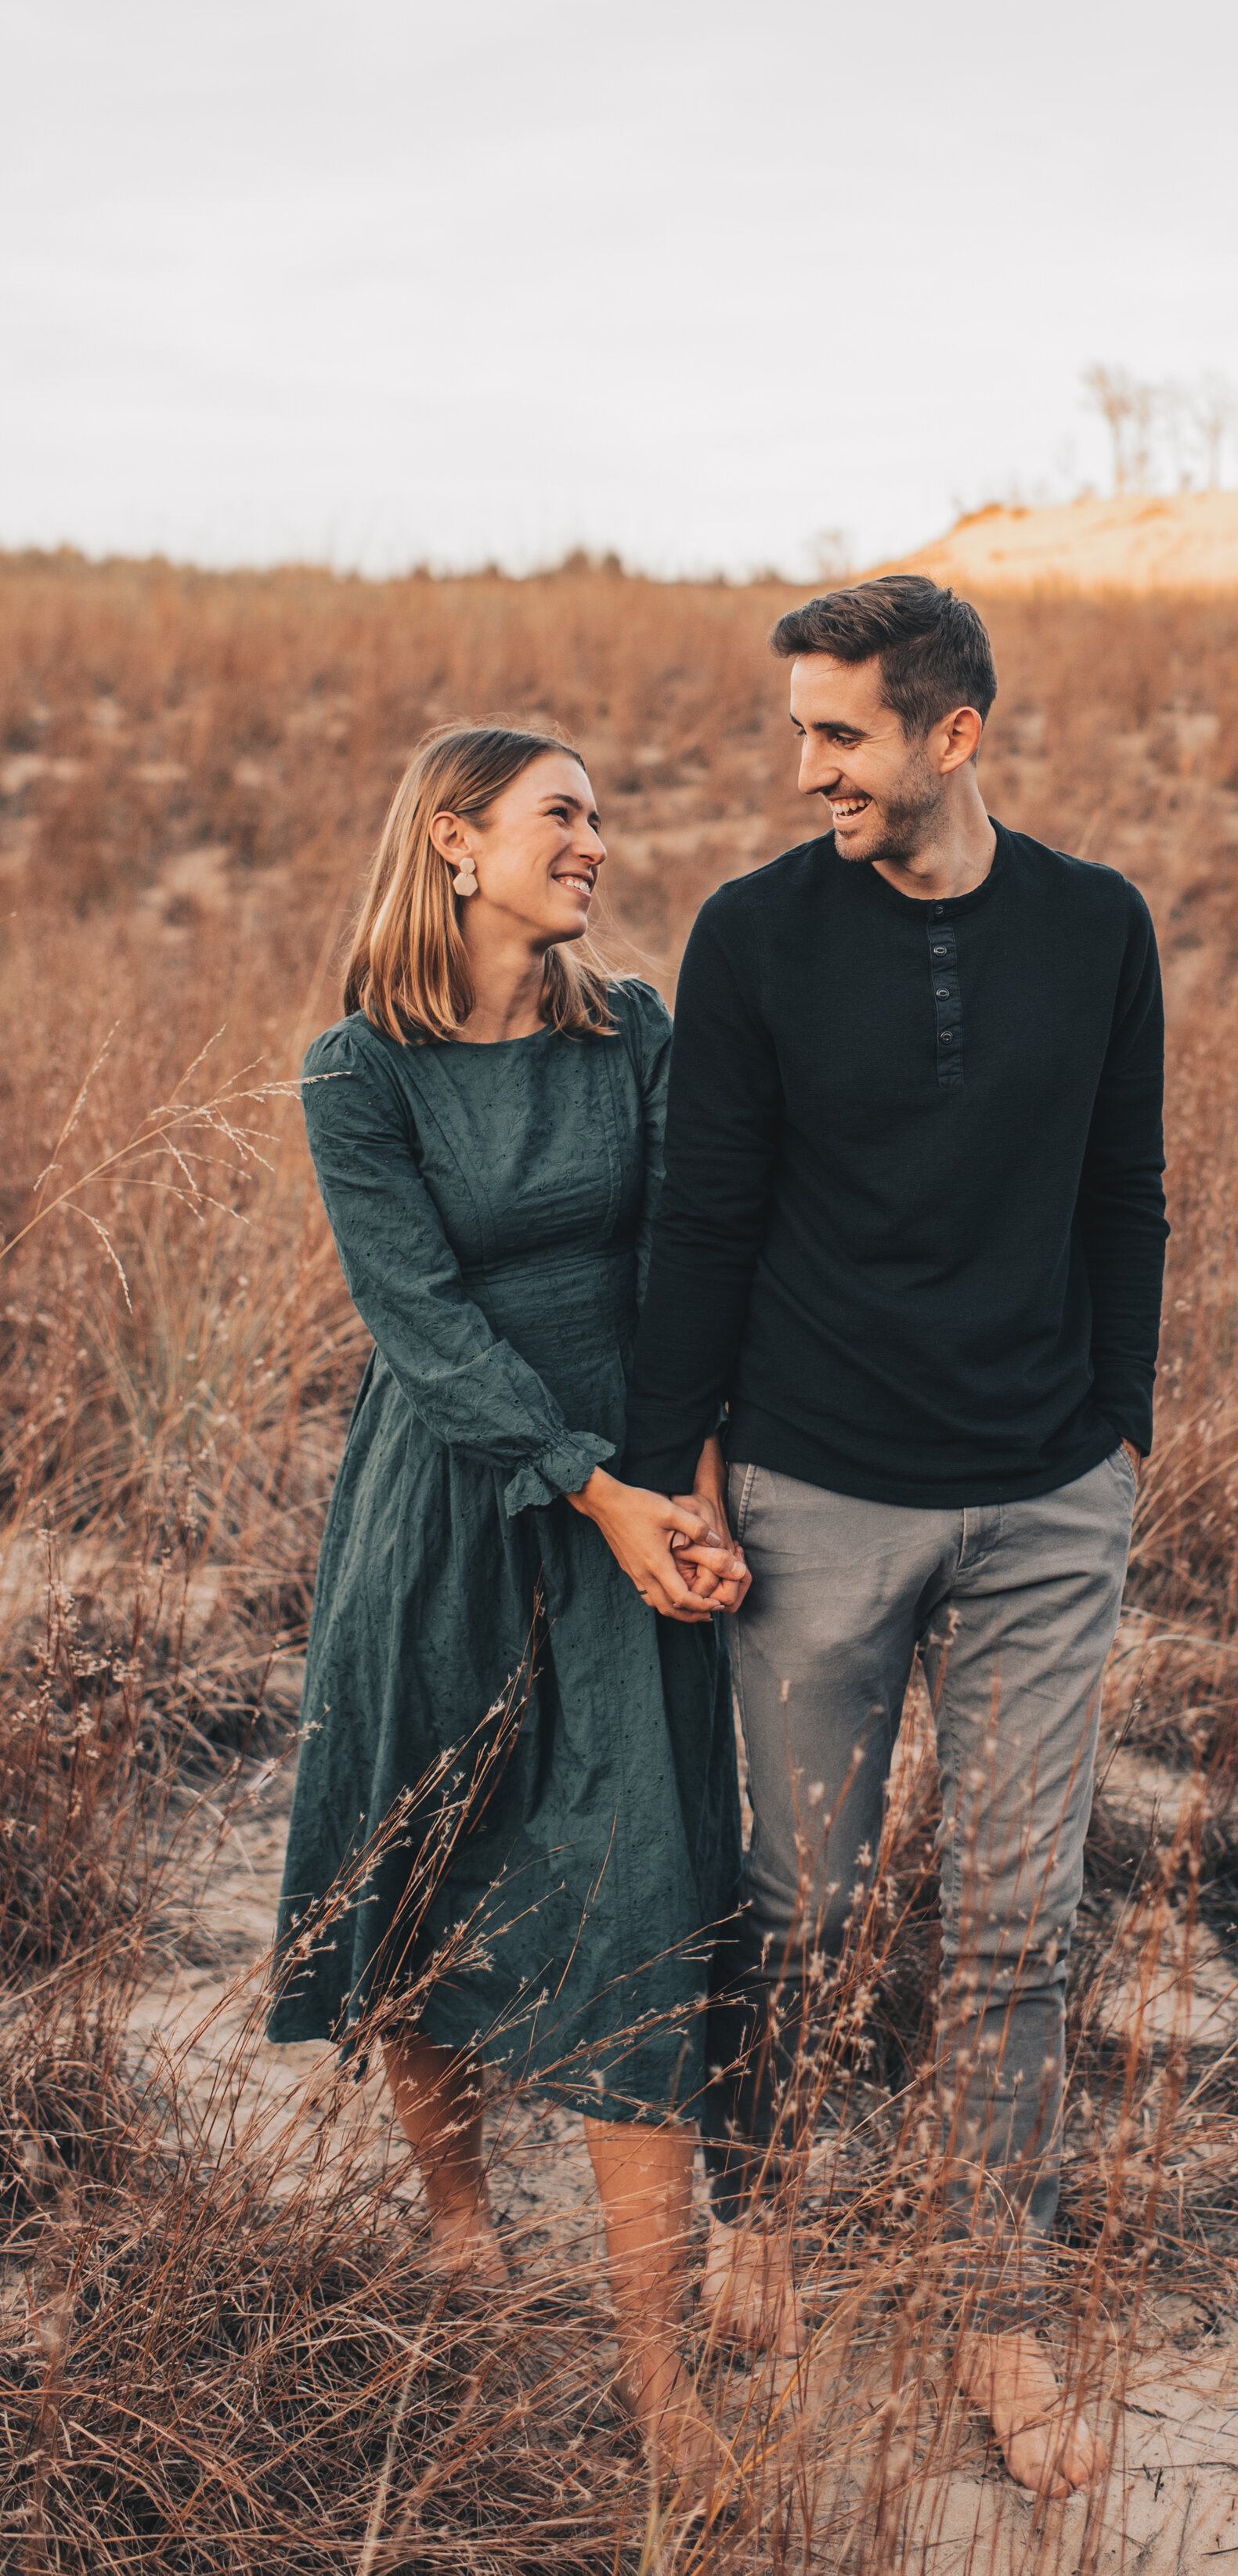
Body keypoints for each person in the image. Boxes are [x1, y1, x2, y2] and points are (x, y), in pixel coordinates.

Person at [621, 576, 1168, 2496]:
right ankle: (759, 2203)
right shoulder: (754, 933)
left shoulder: (1096, 925)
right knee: (801, 1896)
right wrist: (670, 1461)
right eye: (797, 730)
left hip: (1040, 1497)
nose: (805, 768)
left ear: (953, 733)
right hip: (815, 1485)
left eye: (838, 733)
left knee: (1018, 1920)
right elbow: (704, 1215)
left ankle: (995, 2304)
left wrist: (1115, 1439)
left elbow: (1127, 1191)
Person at [269, 721, 749, 2512]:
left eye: (606, 816)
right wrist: (594, 1485)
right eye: (566, 813)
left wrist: (680, 1482)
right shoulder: (359, 1073)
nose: (599, 843)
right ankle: (461, 2222)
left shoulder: (630, 1034)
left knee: (639, 1897)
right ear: (457, 844)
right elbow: (421, 1326)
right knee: (433, 1846)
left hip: (636, 1503)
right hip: (458, 1508)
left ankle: (657, 2382)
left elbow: (696, 1255)